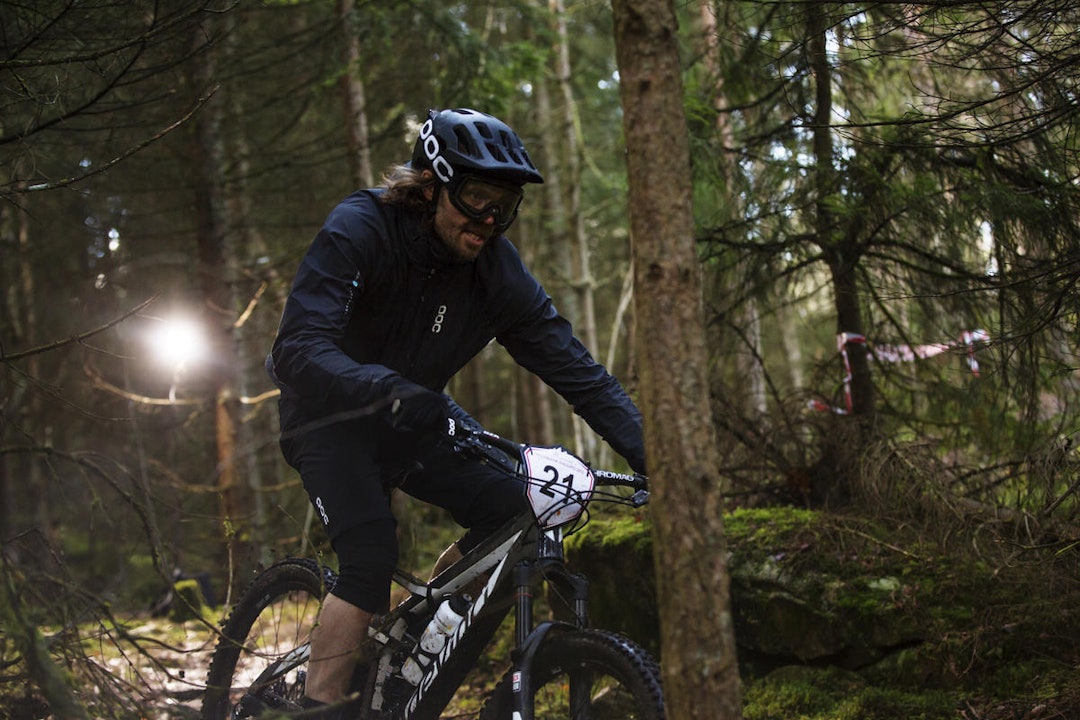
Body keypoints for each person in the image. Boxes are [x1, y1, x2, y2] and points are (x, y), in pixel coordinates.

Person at [265, 107, 646, 713]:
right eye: (475, 198)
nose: (489, 219)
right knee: (370, 560)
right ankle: (320, 705)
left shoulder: (495, 271)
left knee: (518, 508)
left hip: (415, 418)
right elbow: (297, 349)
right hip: (326, 417)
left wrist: (657, 457)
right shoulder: (361, 228)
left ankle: (423, 634)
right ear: (429, 185)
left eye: (505, 205)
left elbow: (581, 375)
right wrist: (387, 389)